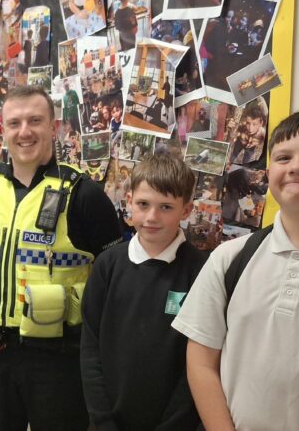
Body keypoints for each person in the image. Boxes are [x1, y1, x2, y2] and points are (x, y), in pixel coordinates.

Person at [172, 109, 299, 430]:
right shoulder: (229, 259)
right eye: (283, 158)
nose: (297, 166)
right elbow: (200, 361)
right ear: (268, 172)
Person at [0, 86, 121, 431]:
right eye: (14, 123)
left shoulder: (84, 195)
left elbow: (113, 275)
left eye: (35, 120)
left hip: (58, 357)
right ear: (2, 129)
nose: (24, 131)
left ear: (54, 127)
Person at [81, 155, 206, 430]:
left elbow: (202, 361)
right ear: (128, 201)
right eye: (143, 204)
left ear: (186, 210)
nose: (152, 217)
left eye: (166, 207)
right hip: (109, 421)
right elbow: (90, 348)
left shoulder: (202, 271)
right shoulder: (108, 265)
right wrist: (103, 420)